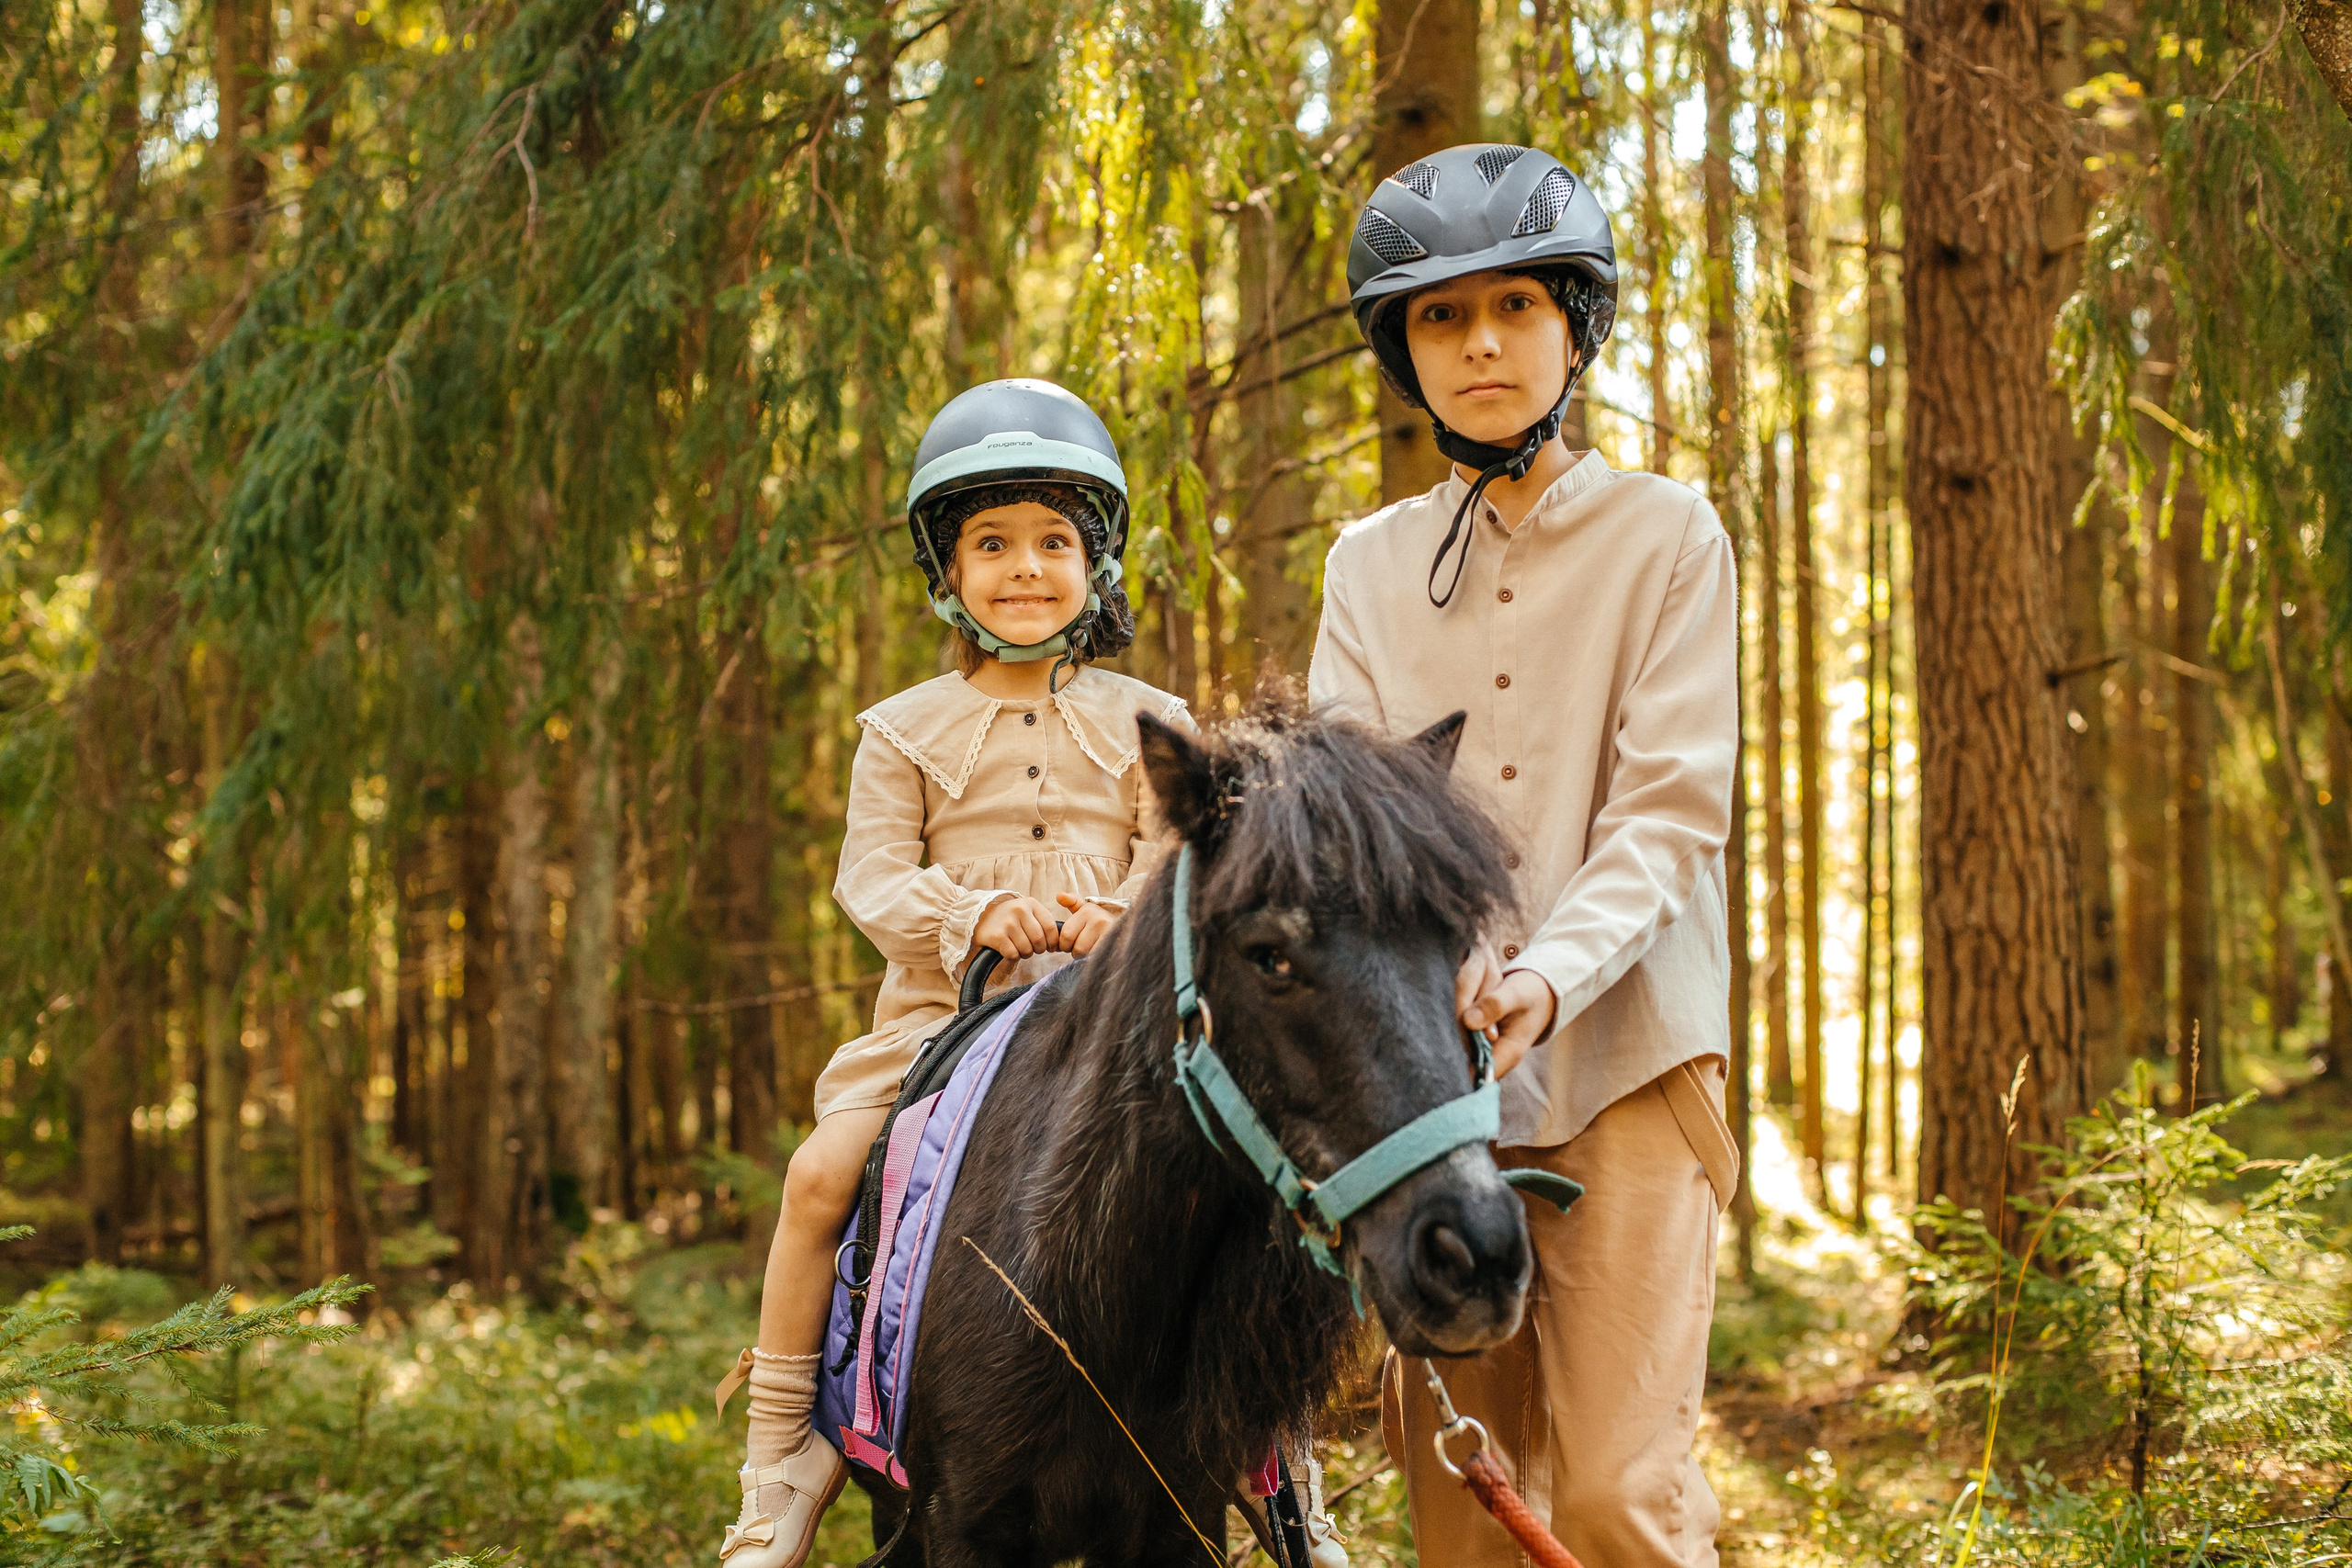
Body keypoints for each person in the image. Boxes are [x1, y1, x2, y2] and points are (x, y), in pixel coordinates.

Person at [1309, 144, 1741, 1568]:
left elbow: (1671, 810)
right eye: (1441, 316)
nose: (1481, 343)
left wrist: (1544, 976)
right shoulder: (1366, 566)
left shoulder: (1670, 536)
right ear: (1404, 350)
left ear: (1574, 325)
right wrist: (1432, 983)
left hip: (1630, 1065)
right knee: (1467, 1520)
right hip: (1432, 1095)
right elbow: (1353, 820)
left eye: (1514, 306)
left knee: (1619, 1500)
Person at [713, 378, 1189, 1568]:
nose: (1026, 568)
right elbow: (870, 876)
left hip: (1121, 1021)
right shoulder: (901, 729)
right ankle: (782, 1459)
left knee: (1246, 1179)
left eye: (1054, 542)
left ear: (1094, 562)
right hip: (945, 1020)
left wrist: (1120, 917)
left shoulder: (1155, 720)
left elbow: (1184, 853)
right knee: (821, 1173)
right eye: (992, 544)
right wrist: (974, 915)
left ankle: (1281, 1465)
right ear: (947, 567)